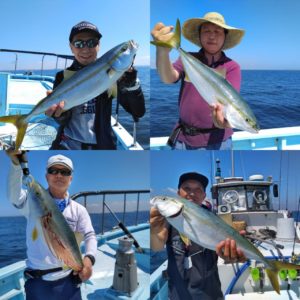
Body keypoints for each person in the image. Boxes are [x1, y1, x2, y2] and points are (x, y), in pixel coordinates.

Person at [7, 151, 97, 300]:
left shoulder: (79, 210)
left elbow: (89, 235)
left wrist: (89, 260)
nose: (59, 175)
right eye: (53, 171)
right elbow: (14, 196)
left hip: (70, 279)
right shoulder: (32, 201)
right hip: (38, 281)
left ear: (71, 178)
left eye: (64, 172)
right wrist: (16, 166)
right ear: (46, 176)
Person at [151, 12, 245, 150]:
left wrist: (223, 121)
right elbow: (168, 78)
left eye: (217, 31)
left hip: (219, 141)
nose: (212, 36)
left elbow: (231, 103)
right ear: (200, 35)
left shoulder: (232, 66)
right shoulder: (189, 58)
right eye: (206, 31)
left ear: (225, 36)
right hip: (182, 139)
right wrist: (162, 51)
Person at [46, 21, 145, 150]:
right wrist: (59, 115)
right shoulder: (62, 76)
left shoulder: (116, 75)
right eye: (79, 44)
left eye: (92, 43)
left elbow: (138, 112)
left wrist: (131, 82)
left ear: (99, 45)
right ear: (71, 47)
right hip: (66, 144)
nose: (85, 49)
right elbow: (62, 121)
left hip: (102, 145)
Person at [150, 172, 246, 300]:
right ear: (178, 193)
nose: (192, 193)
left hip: (210, 293)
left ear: (204, 195)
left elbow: (224, 253)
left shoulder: (214, 219)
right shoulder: (168, 220)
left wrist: (231, 256)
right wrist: (154, 232)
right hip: (178, 293)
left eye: (198, 189)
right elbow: (156, 247)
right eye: (187, 188)